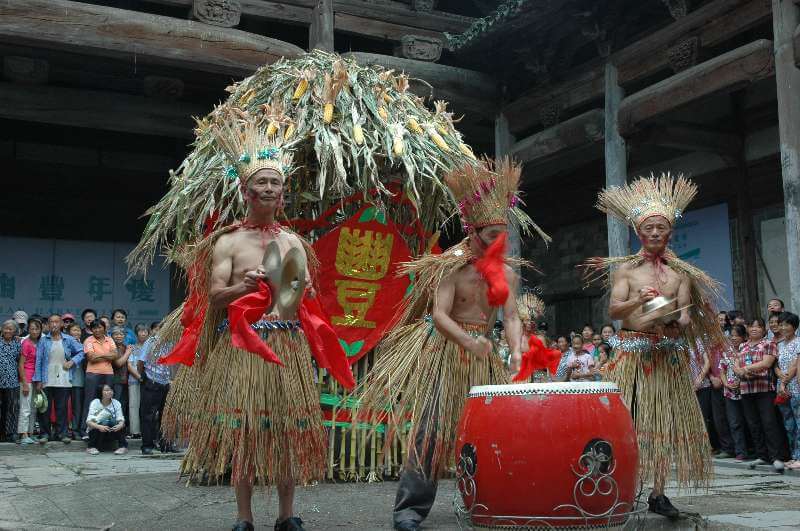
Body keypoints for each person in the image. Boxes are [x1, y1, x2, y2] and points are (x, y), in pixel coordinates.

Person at [153, 116, 354, 531]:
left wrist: (297, 287)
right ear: (245, 190)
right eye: (260, 183)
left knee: (285, 430)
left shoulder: (293, 242)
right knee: (245, 430)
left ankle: (286, 515)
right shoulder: (228, 241)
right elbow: (214, 296)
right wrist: (243, 286)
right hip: (241, 346)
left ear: (283, 193)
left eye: (274, 184)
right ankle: (243, 518)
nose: (267, 189)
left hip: (287, 346)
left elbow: (304, 295)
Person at [354, 158, 545, 531]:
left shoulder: (505, 272)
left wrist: (517, 354)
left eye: (503, 234)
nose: (499, 242)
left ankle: (486, 502)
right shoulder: (449, 267)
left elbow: (509, 317)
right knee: (430, 430)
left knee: (486, 431)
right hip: (446, 353)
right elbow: (439, 315)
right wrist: (466, 341)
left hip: (482, 355)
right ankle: (409, 510)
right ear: (472, 232)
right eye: (491, 235)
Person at [582, 174, 724, 519]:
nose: (656, 233)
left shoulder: (681, 275)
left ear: (670, 233)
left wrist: (668, 313)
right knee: (626, 423)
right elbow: (616, 311)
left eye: (662, 228)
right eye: (650, 228)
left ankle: (658, 493)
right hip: (633, 355)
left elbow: (687, 317)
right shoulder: (627, 273)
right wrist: (640, 304)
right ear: (638, 233)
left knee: (663, 426)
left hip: (666, 355)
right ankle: (621, 488)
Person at [735, 318, 785, 469]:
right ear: (747, 329)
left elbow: (766, 363)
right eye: (751, 326)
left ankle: (776, 457)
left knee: (769, 423)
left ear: (764, 330)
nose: (754, 329)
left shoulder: (769, 344)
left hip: (764, 389)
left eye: (758, 326)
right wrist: (742, 372)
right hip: (746, 389)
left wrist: (746, 369)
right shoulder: (742, 346)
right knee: (753, 423)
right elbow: (736, 365)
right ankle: (762, 455)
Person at [32, 314, 85, 444]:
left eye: (57, 322)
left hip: (64, 377)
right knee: (45, 408)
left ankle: (63, 433)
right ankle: (45, 434)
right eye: (51, 322)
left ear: (61, 324)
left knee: (62, 408)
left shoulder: (68, 339)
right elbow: (38, 361)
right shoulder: (43, 341)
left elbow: (82, 352)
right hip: (46, 378)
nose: (54, 324)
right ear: (48, 325)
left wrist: (72, 362)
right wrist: (38, 380)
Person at [137, 334, 174, 455]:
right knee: (148, 415)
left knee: (167, 415)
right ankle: (147, 445)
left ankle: (166, 444)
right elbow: (141, 361)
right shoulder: (152, 341)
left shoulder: (173, 341)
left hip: (166, 382)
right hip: (152, 380)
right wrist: (142, 377)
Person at [81, 320, 117, 441]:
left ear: (104, 328)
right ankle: (85, 430)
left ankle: (105, 429)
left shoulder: (110, 339)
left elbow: (115, 355)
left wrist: (99, 355)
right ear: (91, 330)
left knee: (106, 402)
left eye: (99, 327)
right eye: (94, 328)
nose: (97, 330)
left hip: (108, 374)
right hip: (93, 374)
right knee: (90, 402)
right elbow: (91, 357)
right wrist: (107, 355)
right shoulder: (88, 340)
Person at [775, 312, 800, 468]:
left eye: (786, 324)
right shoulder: (779, 344)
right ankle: (793, 455)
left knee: (799, 423)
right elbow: (776, 366)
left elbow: (795, 365)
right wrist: (781, 380)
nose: (783, 327)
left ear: (794, 326)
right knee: (789, 424)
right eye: (781, 324)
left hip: (795, 388)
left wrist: (784, 382)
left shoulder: (798, 342)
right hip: (783, 389)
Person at [720, 325, 747, 461]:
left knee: (749, 421)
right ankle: (740, 451)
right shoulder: (727, 352)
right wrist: (726, 384)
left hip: (746, 391)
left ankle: (754, 450)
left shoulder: (746, 349)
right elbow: (722, 371)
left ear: (743, 336)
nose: (734, 338)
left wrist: (740, 383)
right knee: (734, 422)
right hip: (730, 393)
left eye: (737, 335)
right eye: (732, 335)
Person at [85, 384, 127, 455]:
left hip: (111, 431)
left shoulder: (116, 403)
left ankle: (122, 447)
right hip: (98, 431)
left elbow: (121, 418)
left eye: (111, 390)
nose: (110, 392)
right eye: (106, 390)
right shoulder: (95, 402)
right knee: (101, 422)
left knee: (118, 423)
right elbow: (88, 421)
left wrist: (120, 425)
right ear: (100, 392)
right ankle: (91, 447)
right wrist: (99, 426)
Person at [18, 318, 42, 444]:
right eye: (32, 328)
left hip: (36, 379)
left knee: (34, 408)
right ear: (28, 330)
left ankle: (31, 433)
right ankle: (23, 434)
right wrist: (25, 383)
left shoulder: (41, 343)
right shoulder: (26, 343)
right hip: (26, 378)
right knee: (25, 407)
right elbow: (21, 365)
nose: (34, 331)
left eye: (37, 328)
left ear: (40, 330)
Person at [0, 320, 22, 443]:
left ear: (14, 332)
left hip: (12, 381)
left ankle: (11, 433)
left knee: (12, 408)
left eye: (11, 329)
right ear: (2, 330)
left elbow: (20, 361)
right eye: (6, 328)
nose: (8, 331)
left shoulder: (17, 343)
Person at [127, 324, 149, 438]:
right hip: (134, 380)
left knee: (147, 407)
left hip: (149, 381)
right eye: (141, 331)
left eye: (145, 331)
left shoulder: (151, 348)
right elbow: (129, 365)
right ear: (136, 334)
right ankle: (135, 431)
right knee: (134, 406)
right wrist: (139, 377)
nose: (143, 333)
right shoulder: (132, 347)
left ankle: (147, 431)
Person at [65, 323, 86, 438]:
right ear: (68, 332)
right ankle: (65, 429)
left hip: (78, 380)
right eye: (74, 330)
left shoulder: (83, 345)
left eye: (78, 330)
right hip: (65, 379)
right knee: (64, 406)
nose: (77, 332)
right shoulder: (65, 344)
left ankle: (75, 429)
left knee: (77, 406)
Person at [109, 326, 131, 433]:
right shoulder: (111, 347)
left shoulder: (126, 346)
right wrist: (127, 353)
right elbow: (118, 363)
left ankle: (122, 430)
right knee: (115, 406)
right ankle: (114, 429)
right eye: (116, 334)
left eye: (121, 334)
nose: (119, 336)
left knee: (124, 405)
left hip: (126, 381)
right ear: (111, 336)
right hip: (115, 381)